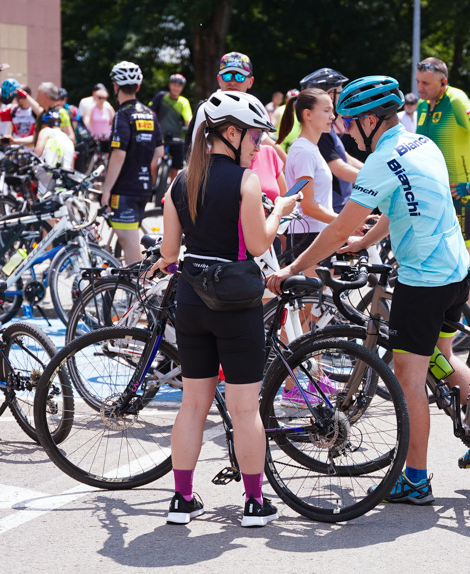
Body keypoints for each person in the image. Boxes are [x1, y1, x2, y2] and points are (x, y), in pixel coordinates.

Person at [266, 75, 470, 506]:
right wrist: (364, 242)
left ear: (372, 121)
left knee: (409, 378)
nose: (344, 129)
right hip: (457, 271)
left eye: (350, 122)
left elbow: (338, 224)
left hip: (424, 279)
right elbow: (403, 204)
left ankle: (415, 480)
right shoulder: (421, 143)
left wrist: (293, 266)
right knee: (444, 358)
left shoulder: (382, 159)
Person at [149, 91, 297, 527]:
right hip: (236, 303)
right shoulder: (246, 181)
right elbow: (257, 244)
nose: (259, 144)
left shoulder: (180, 181)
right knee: (245, 408)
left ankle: (181, 499)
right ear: (231, 133)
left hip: (191, 299)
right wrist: (281, 212)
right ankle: (254, 503)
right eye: (254, 135)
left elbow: (171, 250)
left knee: (191, 405)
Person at [415, 57, 470, 252]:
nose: (420, 87)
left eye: (425, 83)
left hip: (456, 191)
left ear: (443, 82)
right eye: (418, 81)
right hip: (428, 189)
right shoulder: (422, 104)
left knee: (460, 257)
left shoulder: (456, 100)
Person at [100, 61, 164, 265]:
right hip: (144, 188)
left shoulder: (122, 115)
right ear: (138, 87)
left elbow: (118, 155)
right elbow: (159, 151)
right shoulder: (149, 114)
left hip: (124, 189)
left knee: (130, 244)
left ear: (116, 87)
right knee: (131, 239)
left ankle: (141, 293)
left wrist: (106, 190)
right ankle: (141, 289)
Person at [186, 52, 287, 163]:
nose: (233, 82)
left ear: (250, 82)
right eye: (227, 76)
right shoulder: (207, 108)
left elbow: (266, 142)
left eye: (240, 77)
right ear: (219, 79)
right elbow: (196, 151)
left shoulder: (250, 108)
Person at [275, 89, 337, 270]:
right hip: (309, 234)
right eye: (326, 110)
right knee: (312, 298)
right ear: (308, 114)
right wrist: (344, 222)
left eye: (332, 111)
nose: (332, 116)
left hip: (315, 232)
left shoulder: (309, 148)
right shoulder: (304, 151)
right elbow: (308, 206)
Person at [299, 68, 363, 213]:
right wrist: (376, 181)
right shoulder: (321, 131)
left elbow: (344, 158)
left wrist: (372, 171)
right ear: (330, 95)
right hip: (333, 207)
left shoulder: (328, 127)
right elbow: (338, 168)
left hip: (340, 204)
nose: (343, 97)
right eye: (340, 92)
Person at [149, 73, 193, 180]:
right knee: (153, 162)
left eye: (179, 86)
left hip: (176, 139)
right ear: (169, 85)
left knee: (176, 167)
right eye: (174, 85)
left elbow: (188, 120)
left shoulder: (183, 102)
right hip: (159, 137)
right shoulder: (161, 97)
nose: (176, 88)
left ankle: (170, 191)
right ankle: (150, 187)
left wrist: (192, 132)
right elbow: (150, 113)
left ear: (182, 88)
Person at [0, 80, 40, 145]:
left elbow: (41, 112)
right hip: (16, 147)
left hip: (31, 147)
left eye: (20, 97)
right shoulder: (13, 110)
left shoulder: (34, 110)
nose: (18, 99)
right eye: (16, 97)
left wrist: (26, 96)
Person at [82, 86, 114, 153]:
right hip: (94, 138)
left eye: (104, 98)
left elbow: (114, 121)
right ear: (95, 98)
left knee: (107, 157)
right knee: (93, 158)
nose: (102, 100)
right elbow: (86, 120)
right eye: (100, 98)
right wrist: (87, 130)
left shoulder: (108, 108)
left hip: (106, 138)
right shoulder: (91, 108)